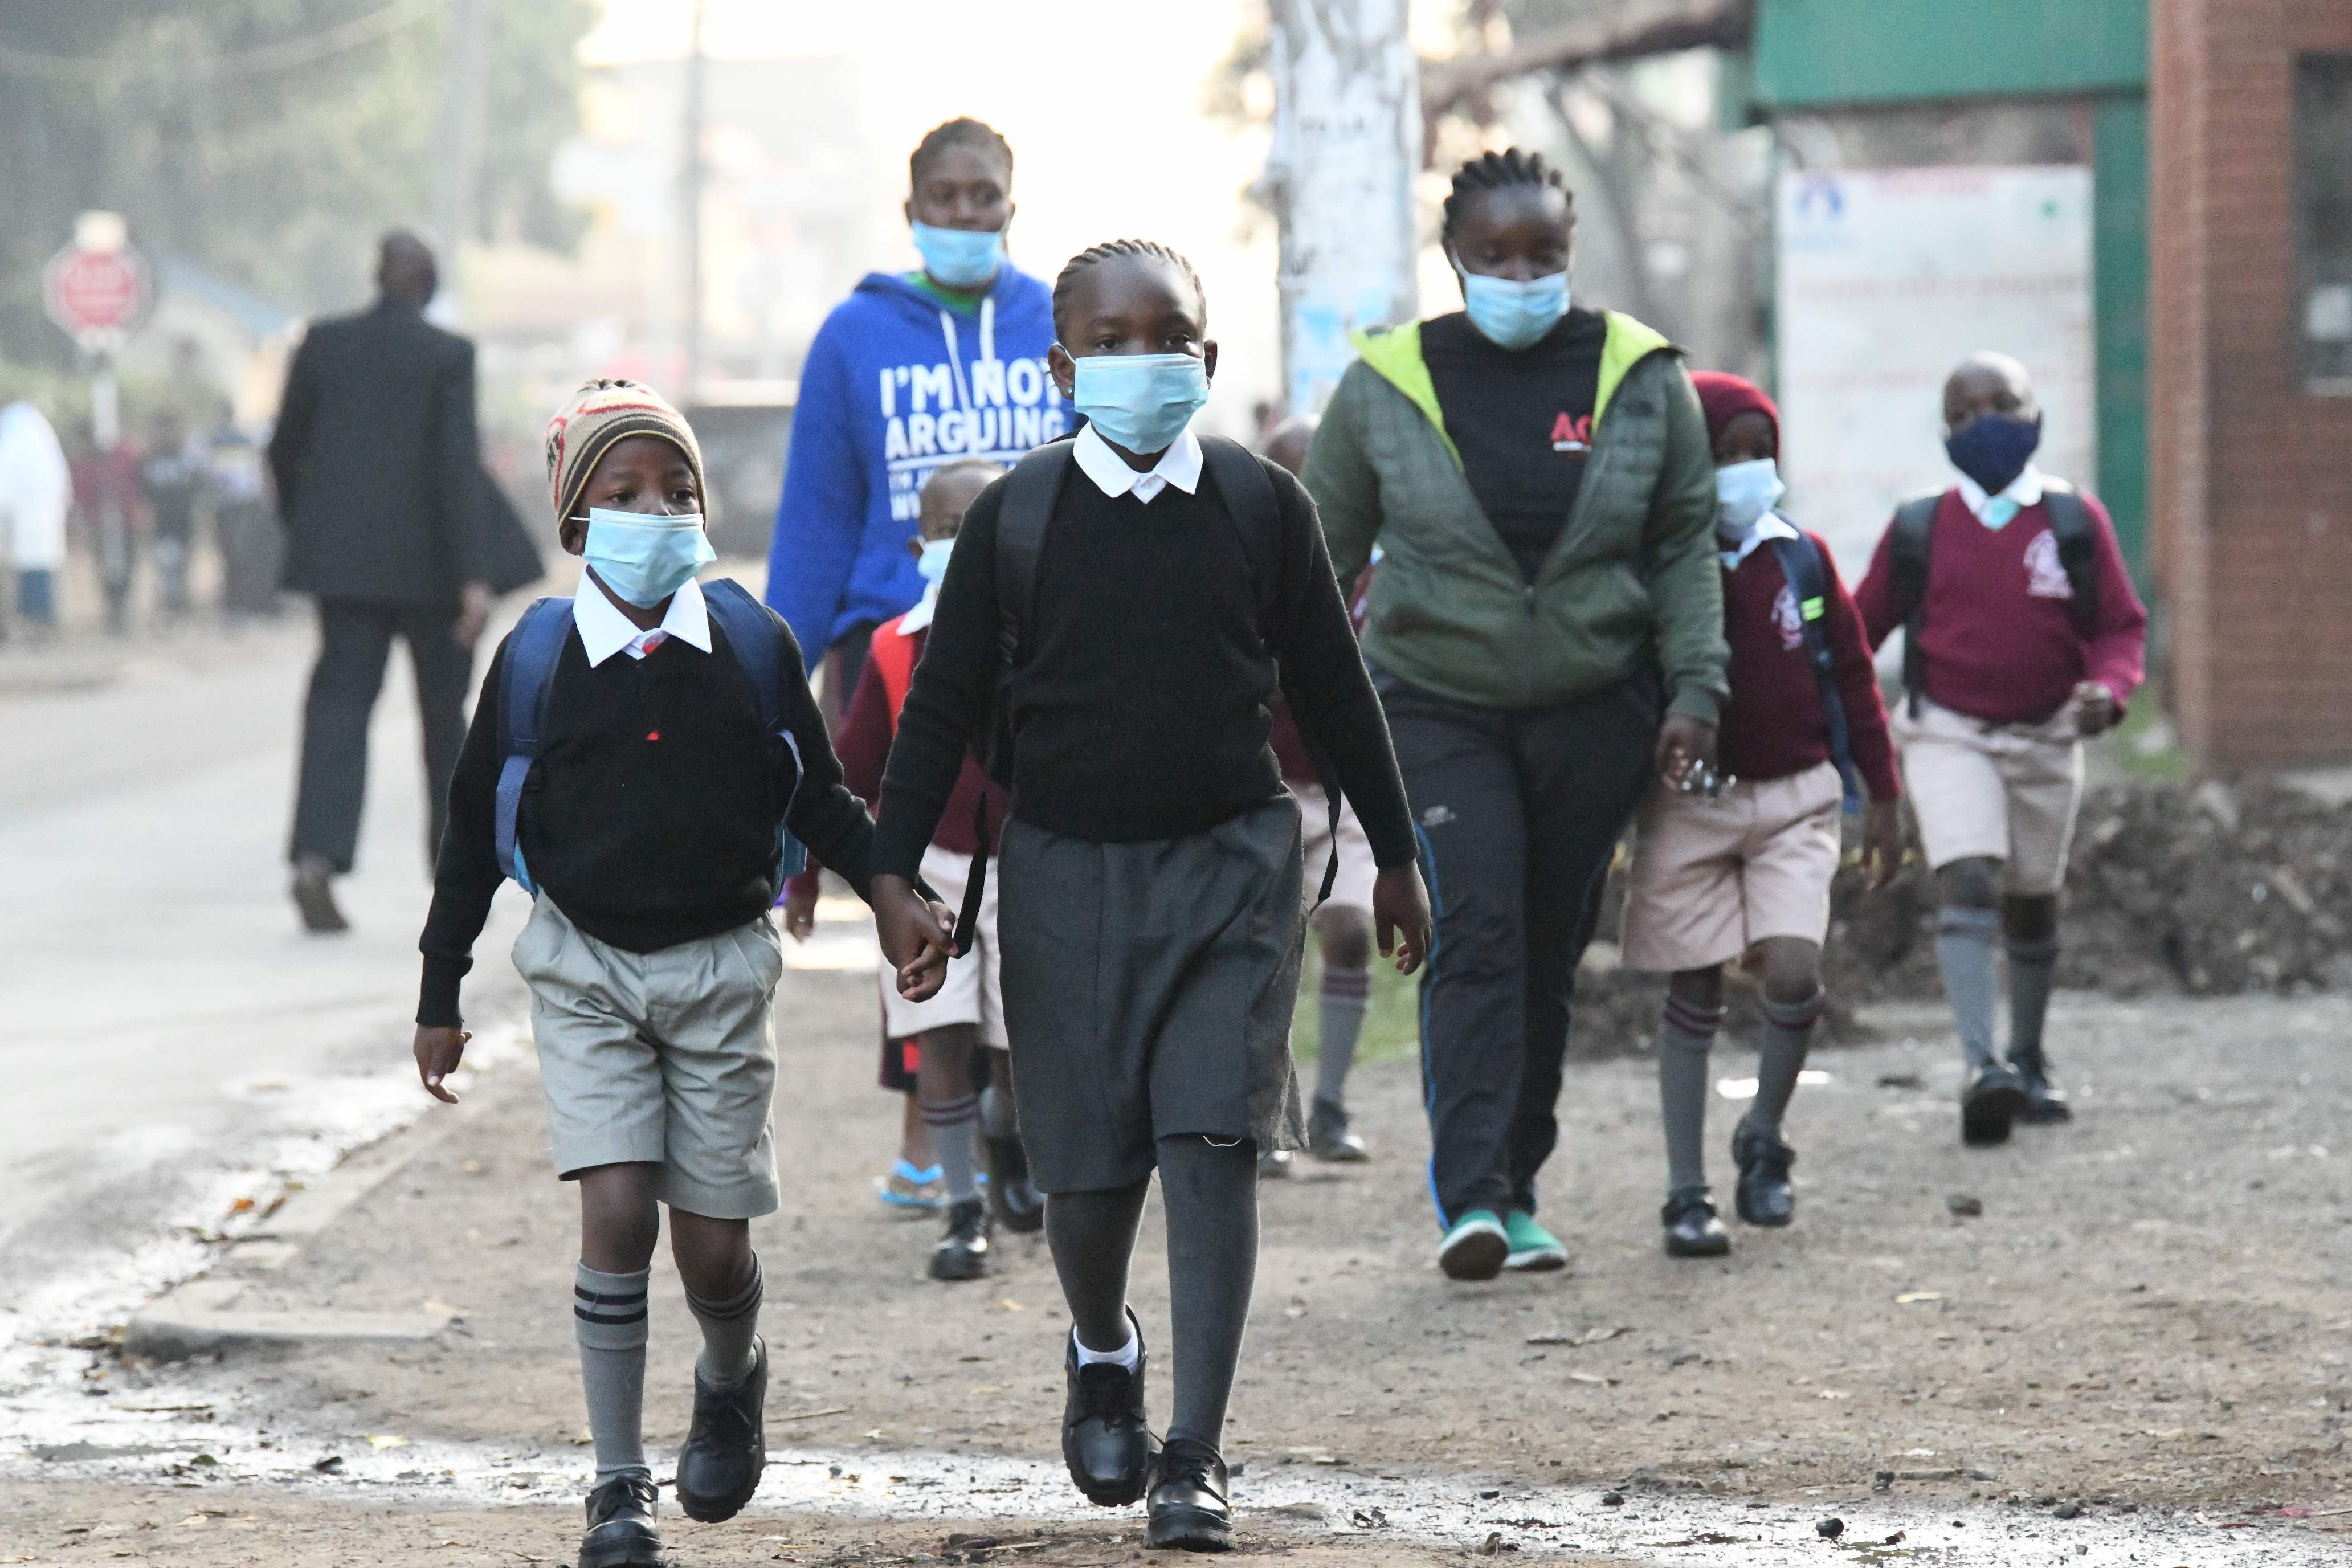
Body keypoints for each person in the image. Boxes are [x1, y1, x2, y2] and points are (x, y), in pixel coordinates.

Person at [868, 240, 1430, 1552]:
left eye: (1163, 335)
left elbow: (1337, 693)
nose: (1138, 362)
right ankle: (1099, 1341)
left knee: (1211, 1140)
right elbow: (938, 712)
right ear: (1062, 368)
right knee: (1085, 1173)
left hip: (1229, 868)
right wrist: (890, 878)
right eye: (1107, 344)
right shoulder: (1016, 520)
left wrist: (1396, 855)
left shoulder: (1258, 506)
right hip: (1062, 868)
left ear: (1208, 359)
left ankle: (1195, 1450)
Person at [410, 378, 949, 1568]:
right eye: (627, 492)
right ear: (577, 523)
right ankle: (615, 1485)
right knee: (613, 1211)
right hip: (585, 965)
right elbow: (468, 833)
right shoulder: (537, 659)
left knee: (713, 1246)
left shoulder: (751, 641)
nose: (659, 510)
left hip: (717, 970)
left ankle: (729, 1371)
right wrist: (440, 988)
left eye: (678, 489)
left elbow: (818, 794)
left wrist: (894, 892)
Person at [1303, 148, 1728, 1282]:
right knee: (1479, 925)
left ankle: (1519, 1182)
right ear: (1456, 259)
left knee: (1548, 948)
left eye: (1543, 252)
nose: (1521, 272)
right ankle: (1473, 1195)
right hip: (1437, 703)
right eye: (1496, 254)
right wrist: (1291, 706)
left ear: (1569, 251)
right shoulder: (1386, 385)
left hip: (1597, 709)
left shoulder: (1639, 376)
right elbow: (1319, 560)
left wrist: (1697, 689)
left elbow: (1685, 539)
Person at [1619, 373, 1903, 1257]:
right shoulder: (1658, 569)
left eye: (1759, 454)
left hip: (1795, 800)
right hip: (1690, 807)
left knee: (1792, 971)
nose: (1744, 471)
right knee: (1694, 985)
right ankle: (1684, 1191)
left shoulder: (1802, 558)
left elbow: (1854, 678)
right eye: (1722, 455)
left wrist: (1883, 793)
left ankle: (1764, 1137)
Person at [1854, 352, 2147, 1146]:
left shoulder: (2073, 522)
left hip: (2049, 734)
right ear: (1947, 432)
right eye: (1967, 410)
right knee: (1971, 877)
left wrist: (2108, 693)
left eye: (2004, 403)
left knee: (2030, 897)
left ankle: (2029, 1056)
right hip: (1949, 729)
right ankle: (1983, 1067)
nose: (1987, 422)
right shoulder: (1921, 527)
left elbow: (2120, 627)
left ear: (2036, 416)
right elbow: (1859, 627)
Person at [783, 456, 1043, 1279]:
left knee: (1012, 1046)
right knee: (940, 1032)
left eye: (981, 529)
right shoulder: (897, 655)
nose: (962, 546)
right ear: (916, 542)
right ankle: (963, 1205)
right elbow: (846, 774)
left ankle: (1009, 1155)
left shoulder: (1044, 646)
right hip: (927, 876)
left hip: (1023, 871)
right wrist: (806, 876)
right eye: (945, 531)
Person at [765, 117, 1063, 720]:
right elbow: (816, 525)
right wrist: (773, 690)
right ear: (912, 211)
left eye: (985, 196)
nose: (964, 214)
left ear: (1012, 208)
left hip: (1046, 647)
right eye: (943, 196)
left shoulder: (1062, 323)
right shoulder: (851, 335)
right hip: (888, 651)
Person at [271, 231, 495, 933]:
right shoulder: (448, 355)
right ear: (428, 286)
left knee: (338, 710)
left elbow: (284, 449)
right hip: (434, 573)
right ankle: (453, 876)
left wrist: (311, 530)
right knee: (444, 722)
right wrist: (476, 576)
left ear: (377, 279)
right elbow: (458, 465)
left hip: (347, 571)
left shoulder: (323, 343)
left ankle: (316, 858)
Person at [1257, 414, 1380, 1175]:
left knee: (1351, 929)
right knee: (1266, 956)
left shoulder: (1371, 582)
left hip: (1345, 797)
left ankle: (1333, 1104)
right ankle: (1270, 1112)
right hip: (1263, 798)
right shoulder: (1245, 574)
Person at [0, 399, 71, 639]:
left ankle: (35, 623)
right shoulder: (37, 429)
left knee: (31, 567)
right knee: (40, 566)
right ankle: (40, 623)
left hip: (25, 514)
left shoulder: (14, 428)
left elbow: (6, 479)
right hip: (42, 514)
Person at [141, 411, 203, 620]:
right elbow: (144, 490)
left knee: (183, 564)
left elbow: (198, 487)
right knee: (166, 564)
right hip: (163, 521)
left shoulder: (186, 457)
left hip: (184, 520)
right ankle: (170, 602)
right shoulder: (151, 458)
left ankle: (180, 601)